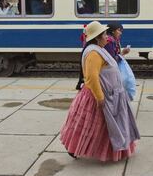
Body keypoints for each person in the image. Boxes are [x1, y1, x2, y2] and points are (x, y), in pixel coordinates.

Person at [60, 21, 139, 162]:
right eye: (104, 35)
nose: (107, 37)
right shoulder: (93, 53)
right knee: (92, 126)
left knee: (104, 127)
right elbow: (91, 77)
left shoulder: (99, 49)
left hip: (108, 94)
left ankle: (110, 149)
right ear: (97, 38)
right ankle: (75, 148)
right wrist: (100, 97)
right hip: (97, 96)